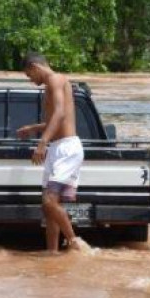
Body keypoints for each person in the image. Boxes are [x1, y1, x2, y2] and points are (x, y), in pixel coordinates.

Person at [16, 52, 90, 253]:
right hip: (57, 148)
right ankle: (52, 252)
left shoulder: (55, 80)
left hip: (66, 148)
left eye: (30, 76)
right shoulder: (54, 83)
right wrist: (33, 128)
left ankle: (75, 242)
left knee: (49, 202)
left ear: (34, 67)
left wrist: (42, 142)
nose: (32, 81)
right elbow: (57, 119)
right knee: (48, 207)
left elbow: (60, 113)